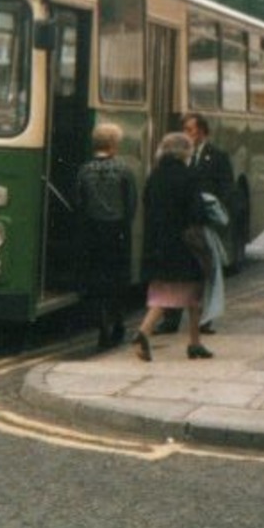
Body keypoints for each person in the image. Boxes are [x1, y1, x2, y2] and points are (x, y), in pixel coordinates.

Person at [131, 132, 213, 362]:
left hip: (157, 244)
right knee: (173, 296)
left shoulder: (154, 176)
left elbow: (146, 204)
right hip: (183, 246)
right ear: (185, 152)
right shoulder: (189, 176)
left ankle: (195, 343)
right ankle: (142, 333)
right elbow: (197, 212)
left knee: (186, 296)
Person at [156, 112, 232, 334]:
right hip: (183, 223)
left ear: (202, 132)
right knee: (179, 271)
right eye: (185, 130)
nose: (187, 135)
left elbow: (227, 188)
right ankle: (171, 320)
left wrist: (216, 214)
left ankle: (204, 320)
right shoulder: (180, 158)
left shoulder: (217, 156)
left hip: (204, 224)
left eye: (191, 130)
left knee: (206, 272)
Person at [74, 122, 137, 350]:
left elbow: (79, 202)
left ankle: (102, 329)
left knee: (97, 280)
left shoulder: (84, 170)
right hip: (117, 231)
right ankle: (118, 323)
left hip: (93, 230)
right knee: (117, 279)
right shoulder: (124, 170)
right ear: (112, 144)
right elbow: (131, 204)